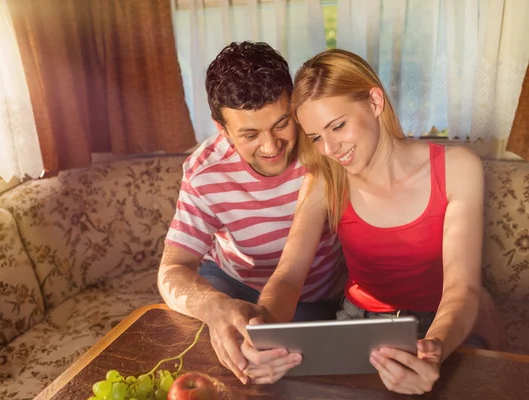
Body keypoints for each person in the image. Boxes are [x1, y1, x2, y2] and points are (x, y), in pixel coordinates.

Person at [242, 48, 506, 393]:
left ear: (375, 102)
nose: (331, 149)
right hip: (360, 325)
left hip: (445, 323)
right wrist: (262, 334)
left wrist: (434, 350)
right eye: (316, 137)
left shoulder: (458, 168)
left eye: (338, 126)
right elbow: (289, 275)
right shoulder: (323, 179)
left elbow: (462, 288)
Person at [157, 42, 345, 384]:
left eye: (281, 124)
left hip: (313, 295)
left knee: (294, 377)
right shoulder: (203, 173)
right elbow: (171, 270)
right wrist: (213, 306)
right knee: (210, 365)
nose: (271, 147)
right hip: (231, 284)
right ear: (222, 128)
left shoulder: (324, 146)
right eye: (250, 134)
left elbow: (290, 275)